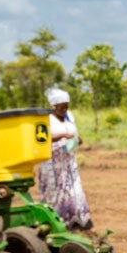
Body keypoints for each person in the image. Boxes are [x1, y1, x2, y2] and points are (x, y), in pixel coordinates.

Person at [37, 89, 92, 230]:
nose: (65, 109)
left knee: (75, 191)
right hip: (52, 165)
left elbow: (73, 132)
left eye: (67, 106)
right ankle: (56, 224)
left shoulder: (69, 116)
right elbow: (41, 139)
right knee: (55, 194)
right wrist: (61, 136)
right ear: (54, 106)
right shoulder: (46, 119)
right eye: (62, 107)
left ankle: (79, 221)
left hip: (68, 163)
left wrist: (77, 139)